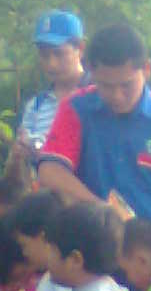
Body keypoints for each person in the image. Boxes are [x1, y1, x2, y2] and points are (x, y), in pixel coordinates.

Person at [37, 23, 151, 225]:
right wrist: (105, 212)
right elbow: (50, 171)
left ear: (146, 70)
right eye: (106, 86)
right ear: (91, 72)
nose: (117, 96)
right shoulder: (75, 109)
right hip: (92, 238)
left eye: (127, 85)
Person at [6, 10, 89, 178]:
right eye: (44, 55)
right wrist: (18, 155)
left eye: (59, 54)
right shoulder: (36, 107)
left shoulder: (98, 97)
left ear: (79, 49)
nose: (51, 64)